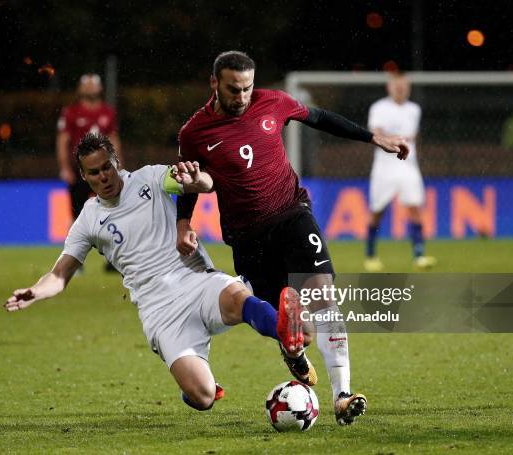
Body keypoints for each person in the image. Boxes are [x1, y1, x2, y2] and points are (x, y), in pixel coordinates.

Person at [175, 51, 409, 425]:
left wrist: (372, 138)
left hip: (292, 214)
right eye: (234, 89)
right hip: (248, 238)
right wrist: (183, 221)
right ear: (214, 83)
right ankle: (294, 349)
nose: (241, 97)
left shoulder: (273, 102)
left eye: (247, 88)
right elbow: (190, 180)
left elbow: (320, 119)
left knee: (322, 295)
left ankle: (342, 397)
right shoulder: (195, 133)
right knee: (301, 329)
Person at [5, 133, 312, 412]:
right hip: (159, 309)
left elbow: (202, 184)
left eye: (107, 167)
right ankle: (194, 389)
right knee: (203, 397)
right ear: (84, 176)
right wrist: (35, 291)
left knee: (236, 299)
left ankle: (291, 344)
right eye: (95, 172)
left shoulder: (150, 178)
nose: (104, 176)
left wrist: (197, 179)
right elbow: (59, 276)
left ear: (116, 161)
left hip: (194, 278)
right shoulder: (88, 220)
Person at [364, 72, 436, 272]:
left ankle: (419, 255)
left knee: (414, 207)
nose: (401, 89)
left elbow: (413, 135)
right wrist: (394, 138)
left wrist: (398, 139)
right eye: (397, 86)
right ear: (389, 88)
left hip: (407, 165)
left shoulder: (414, 109)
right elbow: (376, 133)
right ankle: (370, 255)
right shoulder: (379, 108)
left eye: (404, 86)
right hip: (384, 167)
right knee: (377, 211)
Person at [56, 74, 122, 272]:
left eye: (94, 84)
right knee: (77, 216)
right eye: (87, 84)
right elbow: (63, 141)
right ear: (80, 88)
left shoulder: (108, 112)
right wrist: (65, 167)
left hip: (106, 171)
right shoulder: (71, 112)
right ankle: (75, 262)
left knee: (114, 213)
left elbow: (114, 138)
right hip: (80, 172)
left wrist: (118, 165)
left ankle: (114, 260)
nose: (91, 87)